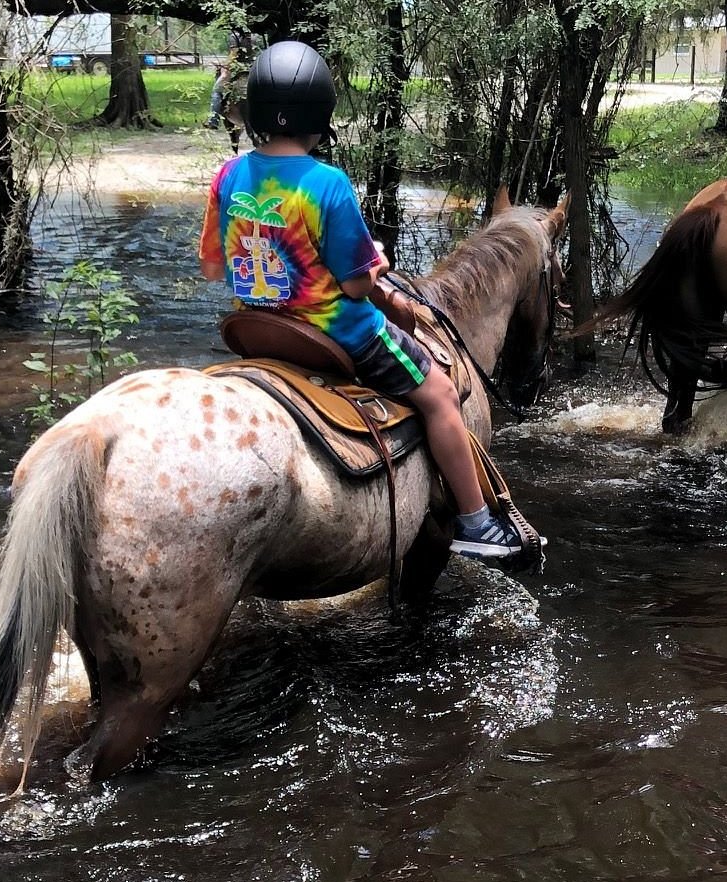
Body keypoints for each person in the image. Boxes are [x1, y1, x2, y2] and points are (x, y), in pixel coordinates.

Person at [198, 40, 529, 559]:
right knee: (440, 394)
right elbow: (356, 287)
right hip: (335, 330)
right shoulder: (326, 183)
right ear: (318, 114)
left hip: (257, 324)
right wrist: (374, 258)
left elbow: (214, 266)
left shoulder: (228, 175)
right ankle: (476, 524)